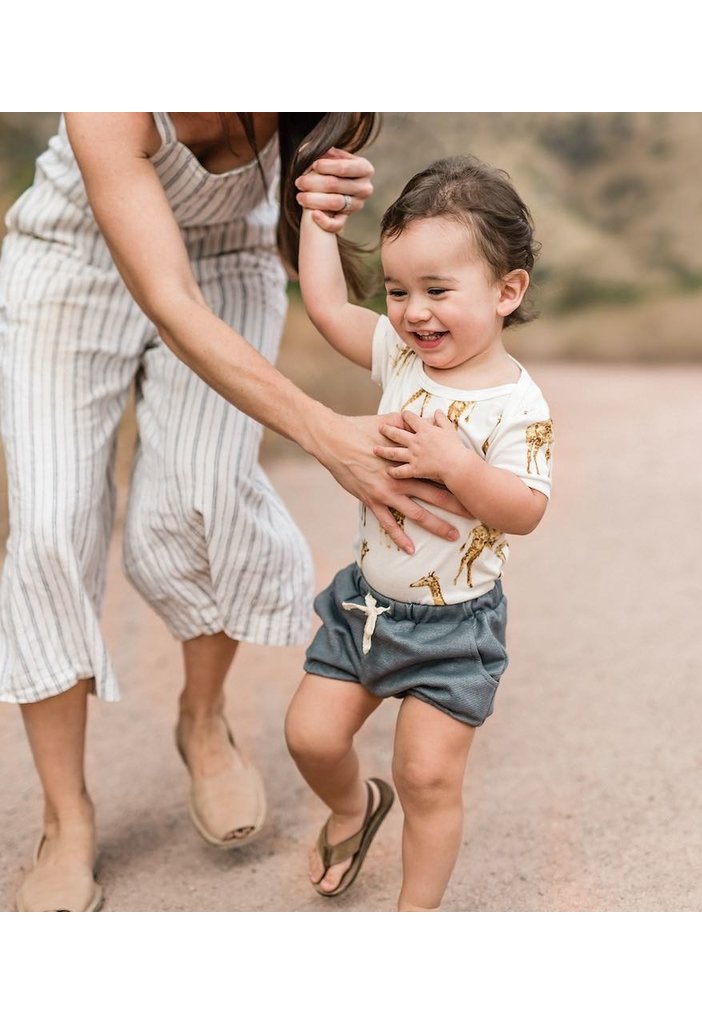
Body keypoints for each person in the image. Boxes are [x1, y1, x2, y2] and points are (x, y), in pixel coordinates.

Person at [0, 113, 465, 913]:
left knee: (202, 497)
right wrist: (324, 433)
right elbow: (169, 301)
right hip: (72, 264)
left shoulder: (313, 87)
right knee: (49, 528)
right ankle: (65, 818)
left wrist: (322, 209)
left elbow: (300, 248)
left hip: (227, 265)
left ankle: (203, 718)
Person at [285, 154, 555, 911]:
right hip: (366, 608)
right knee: (309, 737)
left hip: (453, 628)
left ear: (507, 292)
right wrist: (318, 223)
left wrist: (458, 466)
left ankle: (416, 919)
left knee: (428, 777)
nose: (413, 311)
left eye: (438, 291)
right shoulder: (402, 357)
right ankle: (351, 806)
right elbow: (330, 309)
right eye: (400, 290)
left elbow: (526, 510)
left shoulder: (517, 405)